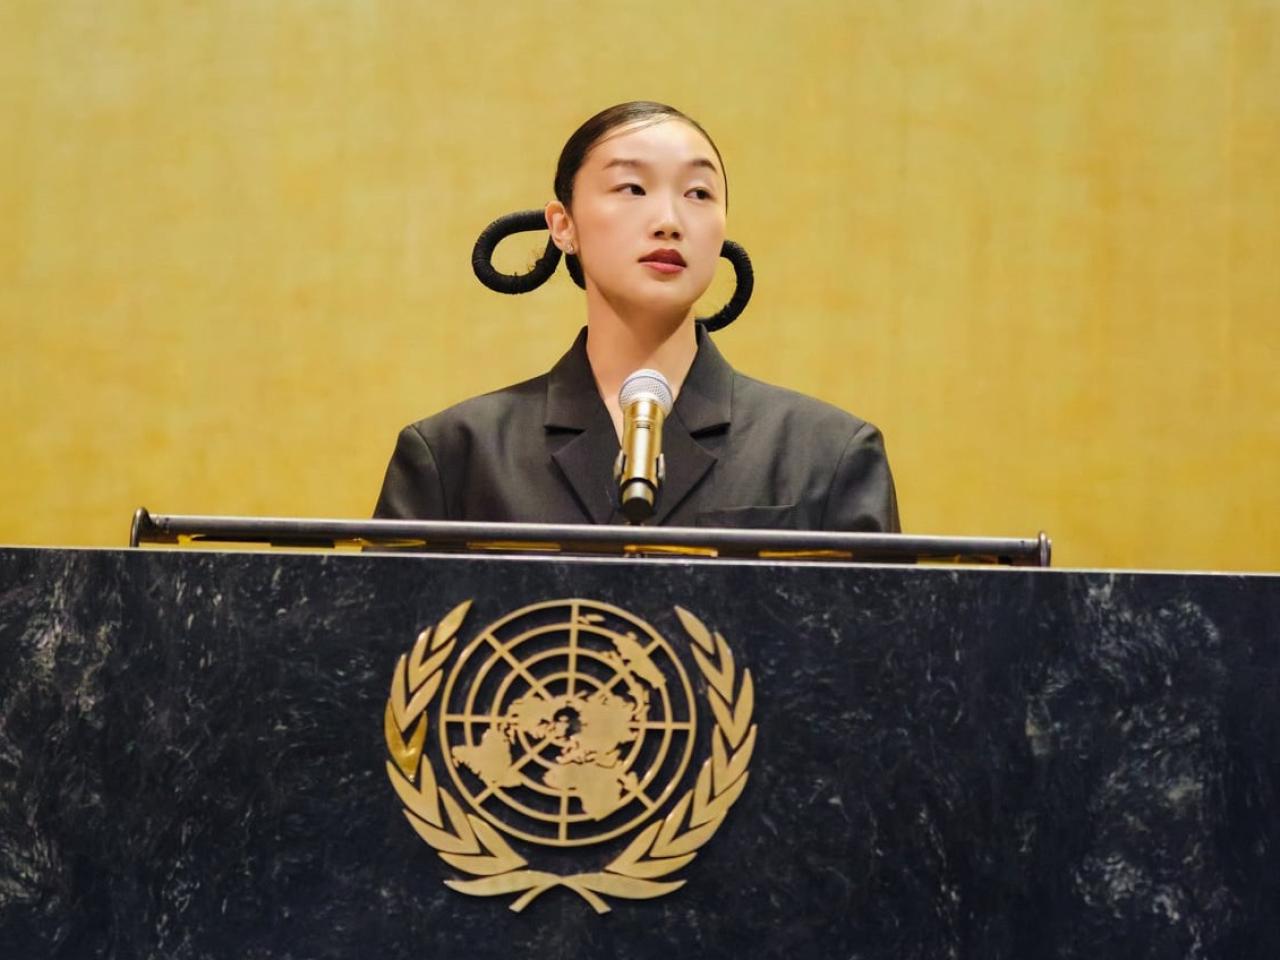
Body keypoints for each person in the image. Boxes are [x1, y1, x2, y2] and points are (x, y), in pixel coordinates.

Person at [374, 101, 900, 531]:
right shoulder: (458, 454)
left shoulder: (828, 455)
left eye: (698, 194)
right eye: (632, 188)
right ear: (563, 225)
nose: (669, 221)